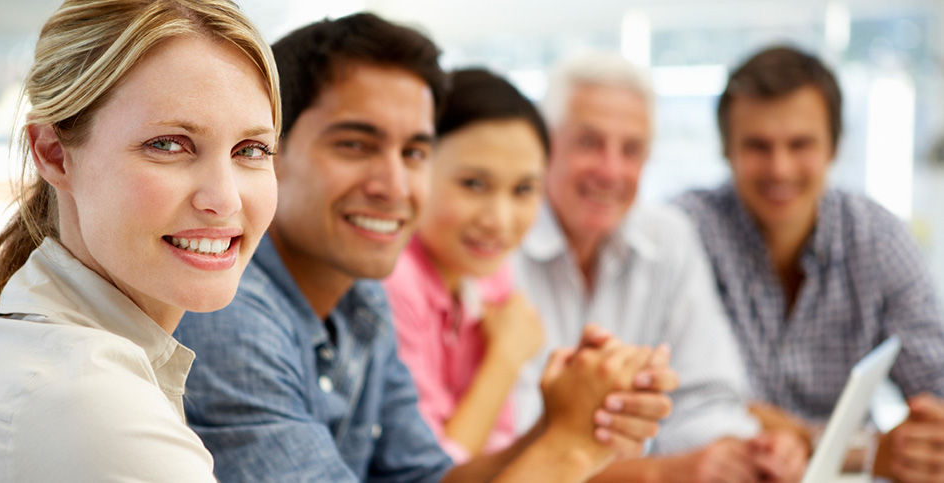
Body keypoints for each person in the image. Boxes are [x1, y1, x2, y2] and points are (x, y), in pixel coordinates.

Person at [175, 14, 677, 483]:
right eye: (355, 144)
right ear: (266, 153)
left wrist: (561, 424)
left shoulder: (362, 296)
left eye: (414, 152)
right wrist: (571, 449)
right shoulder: (228, 313)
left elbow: (426, 477)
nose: (395, 185)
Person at [0, 0, 281, 481]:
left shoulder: (53, 357)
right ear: (54, 154)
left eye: (252, 149)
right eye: (168, 144)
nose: (224, 199)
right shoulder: (94, 408)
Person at [512, 51, 809, 482]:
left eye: (631, 150)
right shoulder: (499, 241)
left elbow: (706, 398)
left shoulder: (668, 237)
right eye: (589, 142)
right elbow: (509, 448)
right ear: (545, 146)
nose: (610, 170)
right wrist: (663, 473)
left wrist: (744, 451)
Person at [675, 45, 944, 483]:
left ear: (834, 147)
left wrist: (923, 444)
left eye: (800, 144)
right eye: (758, 146)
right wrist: (864, 449)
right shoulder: (683, 235)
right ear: (726, 150)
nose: (780, 169)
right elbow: (684, 409)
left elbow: (936, 388)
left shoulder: (877, 238)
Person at [384, 68, 672, 462]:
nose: (499, 220)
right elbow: (433, 469)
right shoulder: (392, 283)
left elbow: (498, 444)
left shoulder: (490, 278)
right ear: (416, 166)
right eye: (473, 184)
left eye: (523, 190)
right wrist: (505, 360)